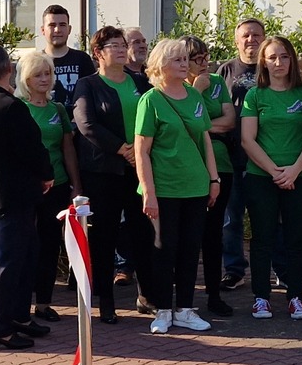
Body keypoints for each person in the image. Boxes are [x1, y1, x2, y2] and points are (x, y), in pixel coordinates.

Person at [0, 44, 53, 349]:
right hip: (14, 194)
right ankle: (0, 328)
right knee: (10, 262)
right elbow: (31, 148)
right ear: (9, 70)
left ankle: (18, 316)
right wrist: (47, 174)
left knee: (26, 255)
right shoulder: (12, 107)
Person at [134, 38, 220, 333]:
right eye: (178, 60)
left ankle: (185, 308)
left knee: (189, 249)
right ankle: (162, 310)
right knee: (163, 249)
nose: (185, 64)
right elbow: (142, 150)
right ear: (161, 65)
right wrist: (148, 191)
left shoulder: (195, 97)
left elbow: (205, 140)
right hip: (164, 189)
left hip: (195, 187)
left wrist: (214, 179)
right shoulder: (150, 100)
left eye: (186, 59)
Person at [70, 25, 149, 324]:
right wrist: (122, 149)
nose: (119, 49)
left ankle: (147, 296)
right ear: (98, 54)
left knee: (143, 233)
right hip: (103, 172)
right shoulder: (88, 85)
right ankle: (105, 301)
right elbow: (86, 124)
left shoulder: (140, 82)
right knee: (104, 237)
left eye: (121, 44)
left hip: (138, 171)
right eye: (112, 45)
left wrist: (137, 153)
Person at [238, 35, 302, 320]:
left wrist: (294, 170)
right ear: (263, 61)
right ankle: (261, 298)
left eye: (284, 56)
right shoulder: (255, 96)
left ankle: (296, 297)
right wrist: (274, 171)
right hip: (263, 178)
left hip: (300, 177)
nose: (278, 63)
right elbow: (248, 140)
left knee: (297, 239)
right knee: (263, 238)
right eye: (272, 57)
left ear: (292, 60)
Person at [18, 49, 80, 321]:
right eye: (37, 75)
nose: (44, 79)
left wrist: (76, 184)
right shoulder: (19, 108)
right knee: (25, 243)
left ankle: (44, 302)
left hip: (57, 185)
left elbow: (68, 149)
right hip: (28, 186)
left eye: (47, 74)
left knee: (50, 243)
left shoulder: (57, 110)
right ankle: (20, 301)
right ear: (25, 79)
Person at [187, 36, 238, 317]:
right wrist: (196, 91)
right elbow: (185, 125)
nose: (206, 63)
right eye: (198, 59)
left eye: (207, 57)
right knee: (189, 233)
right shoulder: (181, 87)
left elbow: (230, 121)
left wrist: (202, 126)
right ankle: (184, 295)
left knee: (214, 231)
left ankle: (214, 294)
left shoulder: (218, 83)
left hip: (221, 165)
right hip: (190, 167)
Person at [215, 17, 266, 288]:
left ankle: (276, 267)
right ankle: (234, 270)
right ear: (237, 41)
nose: (251, 40)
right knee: (231, 219)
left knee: (268, 218)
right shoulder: (225, 70)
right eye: (245, 35)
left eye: (256, 35)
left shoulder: (272, 67)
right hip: (231, 157)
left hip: (265, 158)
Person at [39, 5, 95, 103]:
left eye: (62, 25)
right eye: (52, 25)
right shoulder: (35, 62)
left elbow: (93, 94)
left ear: (69, 29)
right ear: (43, 30)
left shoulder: (82, 59)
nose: (57, 30)